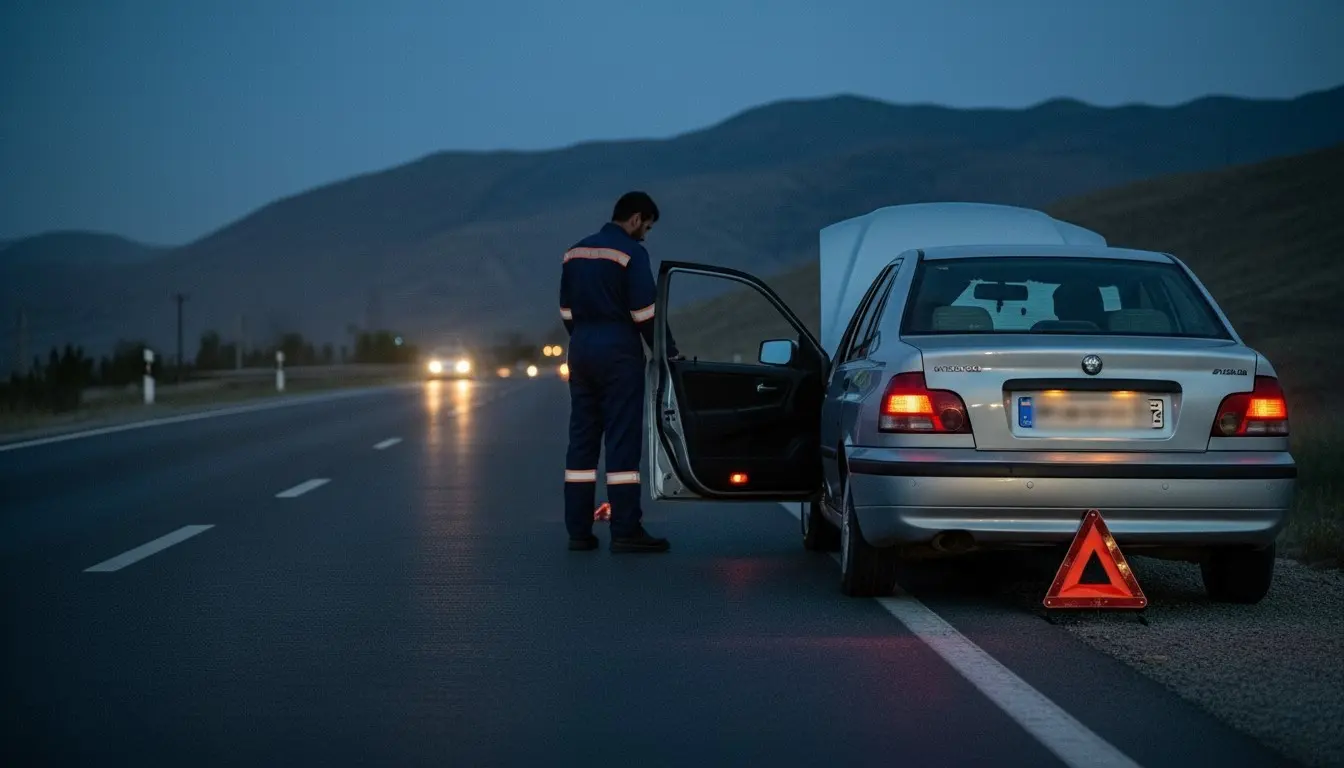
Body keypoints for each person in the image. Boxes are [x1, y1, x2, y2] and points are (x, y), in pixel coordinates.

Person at [559, 191, 681, 553]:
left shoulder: (574, 253)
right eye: (647, 225)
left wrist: (584, 338)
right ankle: (626, 529)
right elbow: (645, 312)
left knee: (581, 442)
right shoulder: (631, 253)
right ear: (635, 218)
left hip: (581, 352)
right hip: (618, 356)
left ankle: (578, 532)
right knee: (622, 443)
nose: (646, 232)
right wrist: (667, 351)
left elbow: (566, 310)